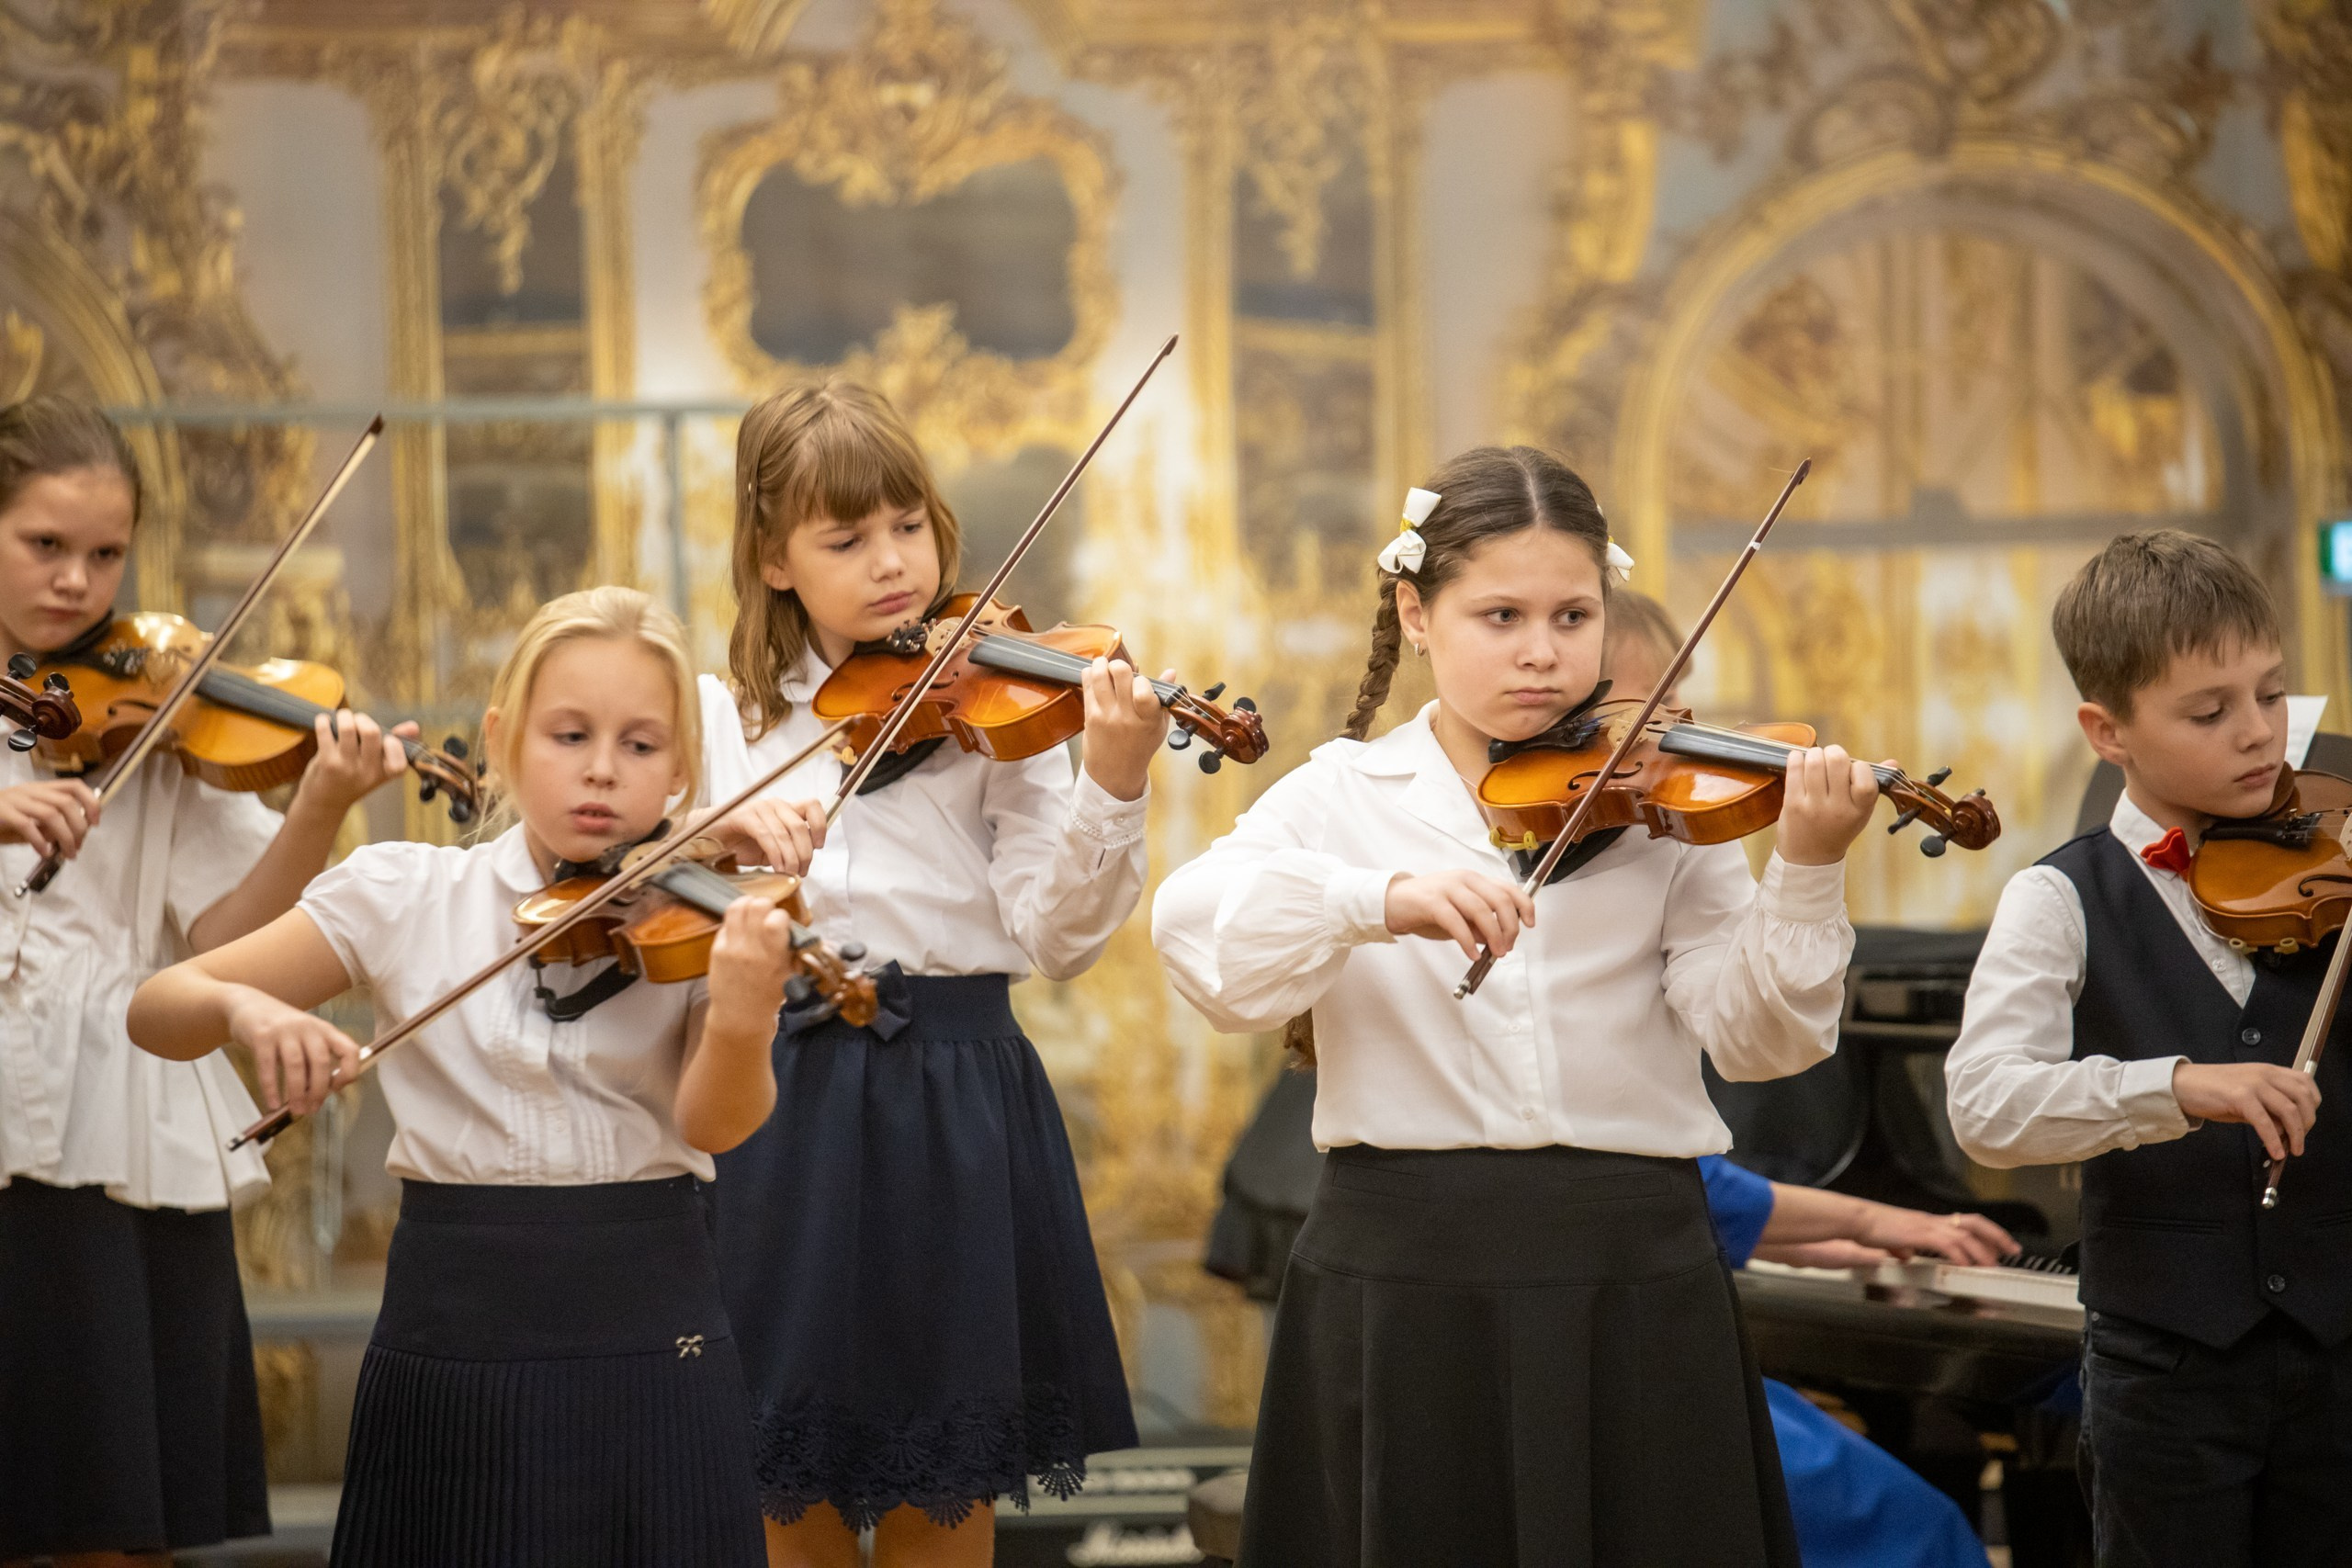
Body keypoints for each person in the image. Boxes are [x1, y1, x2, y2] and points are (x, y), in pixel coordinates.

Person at [1152, 448, 1883, 1565]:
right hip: (1406, 1277)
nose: (1543, 652)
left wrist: (1810, 867)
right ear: (1418, 610)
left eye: (1571, 615)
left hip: (1633, 1270)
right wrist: (1376, 898)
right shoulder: (1344, 794)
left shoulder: (1661, 805)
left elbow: (1763, 1039)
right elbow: (1200, 939)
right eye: (1500, 614)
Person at [127, 587, 790, 1568]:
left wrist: (744, 1013)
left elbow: (716, 1122)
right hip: (457, 1329)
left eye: (642, 746)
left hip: (652, 1322)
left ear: (685, 769)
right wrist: (246, 1008)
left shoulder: (705, 916)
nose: (602, 768)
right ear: (504, 738)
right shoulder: (407, 895)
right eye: (569, 734)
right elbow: (159, 1008)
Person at [697, 380, 1166, 1566]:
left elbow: (1058, 936)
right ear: (772, 557)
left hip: (952, 1093)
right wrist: (715, 844)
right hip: (773, 1100)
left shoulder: (997, 704)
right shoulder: (716, 719)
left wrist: (1112, 776)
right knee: (779, 1483)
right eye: (845, 538)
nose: (891, 562)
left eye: (909, 523)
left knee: (941, 1496)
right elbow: (627, 891)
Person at [0, 396, 410, 1568]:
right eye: (45, 546)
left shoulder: (154, 714)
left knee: (116, 1518)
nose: (80, 580)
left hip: (112, 1115)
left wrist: (321, 803)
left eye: (106, 553)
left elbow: (229, 929)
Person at [1945, 530, 2351, 1568]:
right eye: (2210, 713)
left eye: (2271, 695)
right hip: (2165, 1375)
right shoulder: (2056, 898)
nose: (2261, 736)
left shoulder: (2332, 865)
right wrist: (2173, 1085)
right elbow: (1986, 1104)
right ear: (2106, 729)